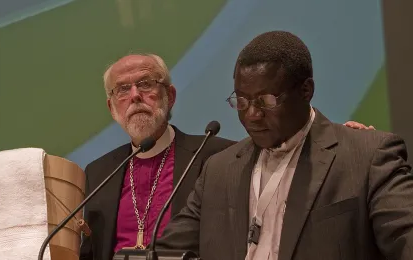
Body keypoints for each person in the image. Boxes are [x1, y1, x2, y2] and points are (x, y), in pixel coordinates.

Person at [79, 53, 374, 260]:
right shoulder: (98, 172)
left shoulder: (218, 156)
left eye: (145, 84)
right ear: (111, 107)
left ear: (170, 95)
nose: (134, 96)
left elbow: (286, 153)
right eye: (122, 90)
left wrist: (343, 138)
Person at [155, 31, 413, 260]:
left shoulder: (365, 156)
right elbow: (167, 251)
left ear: (306, 91)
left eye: (265, 101)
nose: (252, 115)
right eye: (242, 101)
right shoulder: (218, 171)